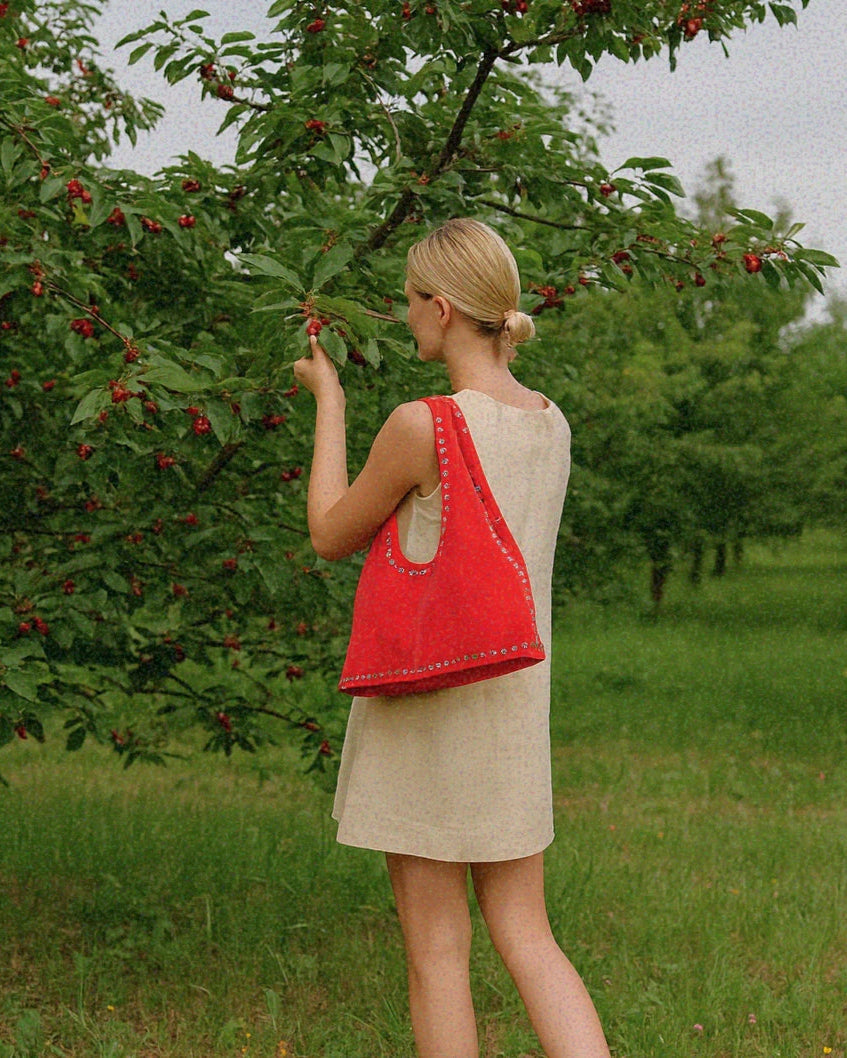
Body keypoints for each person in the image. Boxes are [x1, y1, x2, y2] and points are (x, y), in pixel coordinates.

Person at [293, 218, 610, 1058]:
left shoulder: (422, 424)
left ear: (439, 307)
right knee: (529, 935)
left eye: (407, 302)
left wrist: (329, 401)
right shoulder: (551, 421)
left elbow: (330, 531)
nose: (405, 319)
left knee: (437, 953)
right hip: (512, 713)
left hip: (428, 703)